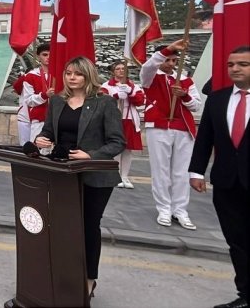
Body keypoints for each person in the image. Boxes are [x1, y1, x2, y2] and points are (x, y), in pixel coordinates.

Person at [34, 56, 125, 299]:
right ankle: (62, 274)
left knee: (87, 227)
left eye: (77, 74)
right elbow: (49, 131)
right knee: (61, 227)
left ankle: (88, 279)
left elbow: (117, 141)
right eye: (68, 73)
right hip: (61, 174)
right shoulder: (56, 101)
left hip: (94, 176)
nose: (71, 78)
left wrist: (91, 155)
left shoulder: (104, 102)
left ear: (88, 76)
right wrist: (41, 139)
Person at [189, 46, 250, 308]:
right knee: (237, 241)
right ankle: (246, 294)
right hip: (227, 182)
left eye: (243, 64)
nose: (235, 69)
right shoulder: (217, 99)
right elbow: (205, 139)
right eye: (230, 64)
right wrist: (196, 171)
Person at [140, 39, 202, 229]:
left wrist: (185, 96)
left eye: (174, 60)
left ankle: (180, 210)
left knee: (181, 172)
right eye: (168, 59)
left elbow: (197, 105)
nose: (171, 64)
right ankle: (164, 209)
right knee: (161, 171)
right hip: (159, 126)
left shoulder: (185, 80)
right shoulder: (151, 76)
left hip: (183, 128)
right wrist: (169, 49)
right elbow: (148, 67)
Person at [100, 60, 145, 189]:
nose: (121, 70)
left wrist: (130, 92)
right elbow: (102, 100)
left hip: (129, 120)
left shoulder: (134, 86)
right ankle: (115, 175)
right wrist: (115, 95)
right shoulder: (107, 85)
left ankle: (125, 176)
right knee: (116, 149)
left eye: (122, 68)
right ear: (112, 71)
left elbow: (140, 101)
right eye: (118, 68)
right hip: (114, 120)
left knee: (127, 150)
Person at [16, 43, 53, 145]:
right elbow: (29, 100)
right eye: (45, 55)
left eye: (51, 54)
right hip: (39, 121)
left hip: (57, 122)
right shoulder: (31, 76)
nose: (48, 57)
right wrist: (44, 95)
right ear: (38, 56)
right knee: (36, 151)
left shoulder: (61, 75)